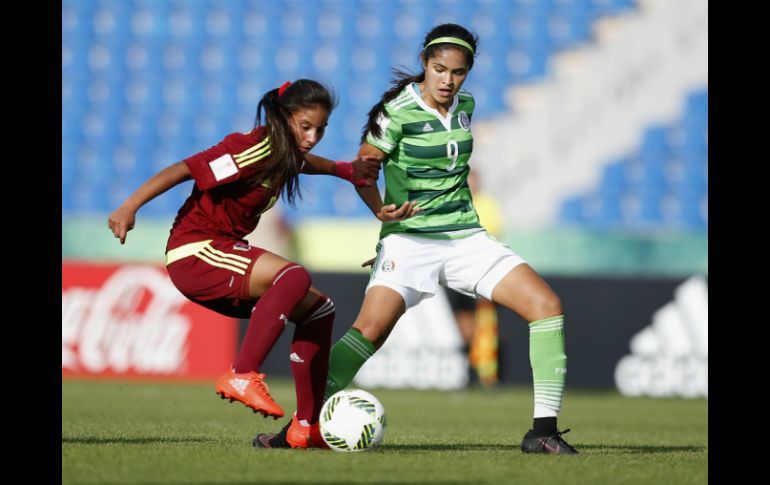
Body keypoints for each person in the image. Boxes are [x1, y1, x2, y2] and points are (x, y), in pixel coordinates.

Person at [318, 23, 578, 454]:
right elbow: (363, 168)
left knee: (546, 306)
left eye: (457, 72)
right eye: (439, 69)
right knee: (370, 329)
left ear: (467, 73)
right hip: (409, 239)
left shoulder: (465, 105)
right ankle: (305, 421)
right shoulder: (395, 111)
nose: (447, 80)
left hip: (465, 237)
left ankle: (543, 432)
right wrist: (380, 212)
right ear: (424, 63)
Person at [108, 79, 379, 449]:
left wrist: (344, 170)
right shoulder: (252, 147)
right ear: (284, 118)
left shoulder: (284, 151)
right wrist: (129, 206)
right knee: (293, 276)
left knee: (320, 310)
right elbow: (186, 168)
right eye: (305, 126)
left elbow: (303, 162)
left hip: (222, 251)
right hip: (196, 251)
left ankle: (306, 427)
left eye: (321, 129)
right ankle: (242, 374)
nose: (313, 136)